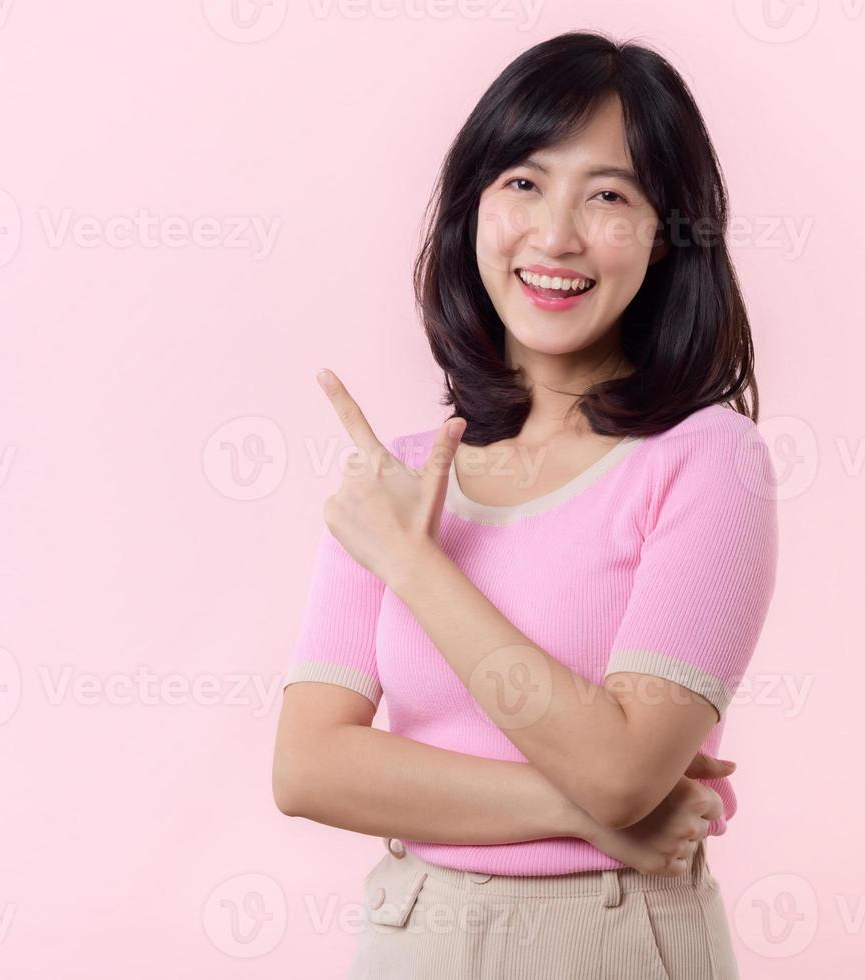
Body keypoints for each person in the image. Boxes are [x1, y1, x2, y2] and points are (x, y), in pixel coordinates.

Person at [271, 30, 778, 979]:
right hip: (411, 933)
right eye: (523, 183)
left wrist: (415, 566)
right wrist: (579, 811)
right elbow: (308, 769)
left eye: (610, 195)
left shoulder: (709, 460)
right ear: (473, 209)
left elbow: (626, 768)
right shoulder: (402, 477)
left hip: (616, 936)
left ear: (670, 235)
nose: (556, 236)